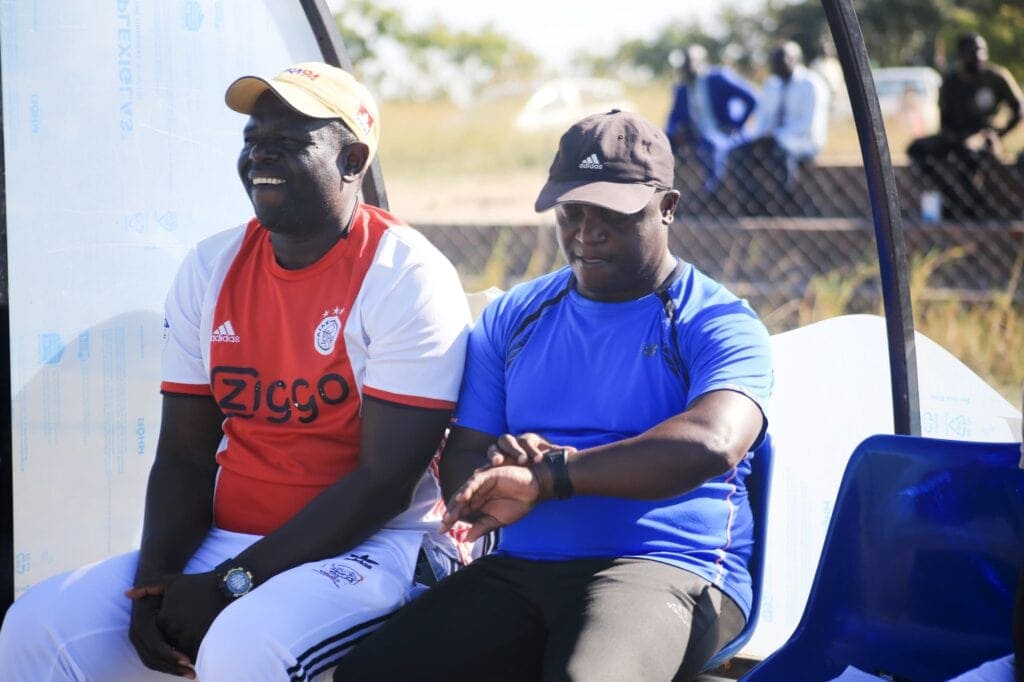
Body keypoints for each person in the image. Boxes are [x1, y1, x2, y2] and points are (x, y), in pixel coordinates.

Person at [0, 62, 471, 680]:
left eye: (287, 142)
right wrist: (153, 587)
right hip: (232, 544)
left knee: (244, 648)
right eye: (252, 142)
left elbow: (383, 483)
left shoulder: (405, 275)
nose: (259, 158)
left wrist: (232, 584)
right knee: (36, 628)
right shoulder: (212, 264)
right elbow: (185, 455)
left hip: (373, 552)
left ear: (352, 160)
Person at [333, 109, 773, 681]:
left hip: (668, 568)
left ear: (667, 207)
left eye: (613, 212)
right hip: (524, 567)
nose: (587, 231)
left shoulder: (714, 320)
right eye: (571, 211)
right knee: (372, 673)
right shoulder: (514, 316)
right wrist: (488, 480)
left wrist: (550, 477)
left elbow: (713, 442)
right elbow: (466, 449)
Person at [907, 33, 1023, 219]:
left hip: (982, 136)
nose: (978, 56)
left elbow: (1018, 109)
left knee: (969, 152)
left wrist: (1000, 133)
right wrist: (950, 137)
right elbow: (944, 117)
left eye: (981, 51)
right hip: (955, 135)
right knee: (917, 149)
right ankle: (947, 199)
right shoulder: (952, 81)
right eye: (973, 51)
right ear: (961, 55)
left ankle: (973, 210)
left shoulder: (996, 77)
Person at [730, 40, 830, 215]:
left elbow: (807, 125)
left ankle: (784, 205)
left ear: (794, 60)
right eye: (773, 61)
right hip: (773, 140)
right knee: (738, 153)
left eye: (779, 60)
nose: (774, 65)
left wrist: (776, 137)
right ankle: (752, 205)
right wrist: (760, 137)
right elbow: (763, 118)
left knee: (782, 151)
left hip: (804, 142)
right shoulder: (771, 85)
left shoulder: (812, 85)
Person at [665, 44, 757, 191]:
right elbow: (673, 118)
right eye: (684, 64)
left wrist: (737, 124)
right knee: (663, 142)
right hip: (696, 136)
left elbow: (752, 98)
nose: (687, 67)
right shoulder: (682, 88)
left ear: (701, 62)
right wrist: (672, 133)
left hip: (725, 134)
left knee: (712, 144)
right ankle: (662, 189)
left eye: (690, 62)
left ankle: (712, 191)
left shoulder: (718, 78)